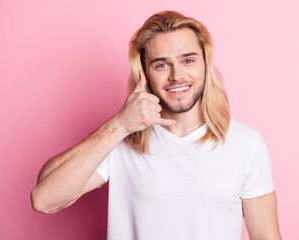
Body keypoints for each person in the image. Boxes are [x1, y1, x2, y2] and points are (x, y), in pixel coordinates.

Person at [31, 10, 282, 240]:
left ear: (205, 65)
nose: (176, 75)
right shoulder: (120, 140)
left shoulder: (245, 143)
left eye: (188, 60)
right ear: (145, 74)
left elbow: (266, 236)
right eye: (161, 64)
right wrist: (120, 125)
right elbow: (44, 200)